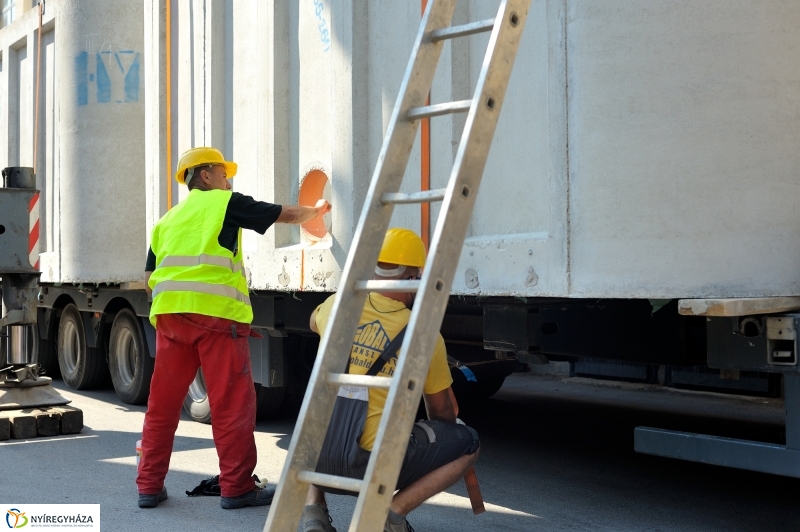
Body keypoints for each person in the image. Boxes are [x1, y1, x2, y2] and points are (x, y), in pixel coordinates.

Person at [137, 147, 331, 510]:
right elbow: (284, 214)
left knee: (161, 407)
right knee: (231, 405)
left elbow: (149, 279)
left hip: (169, 320)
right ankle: (238, 488)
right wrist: (317, 212)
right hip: (216, 320)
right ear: (206, 175)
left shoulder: (167, 221)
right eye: (224, 173)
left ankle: (148, 487)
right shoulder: (223, 203)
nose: (229, 180)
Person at [302, 228, 480, 532]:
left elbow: (312, 321)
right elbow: (441, 414)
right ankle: (392, 513)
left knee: (322, 420)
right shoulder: (423, 334)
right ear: (412, 279)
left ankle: (312, 512)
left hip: (313, 462)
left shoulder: (337, 307)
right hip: (369, 468)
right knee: (468, 443)